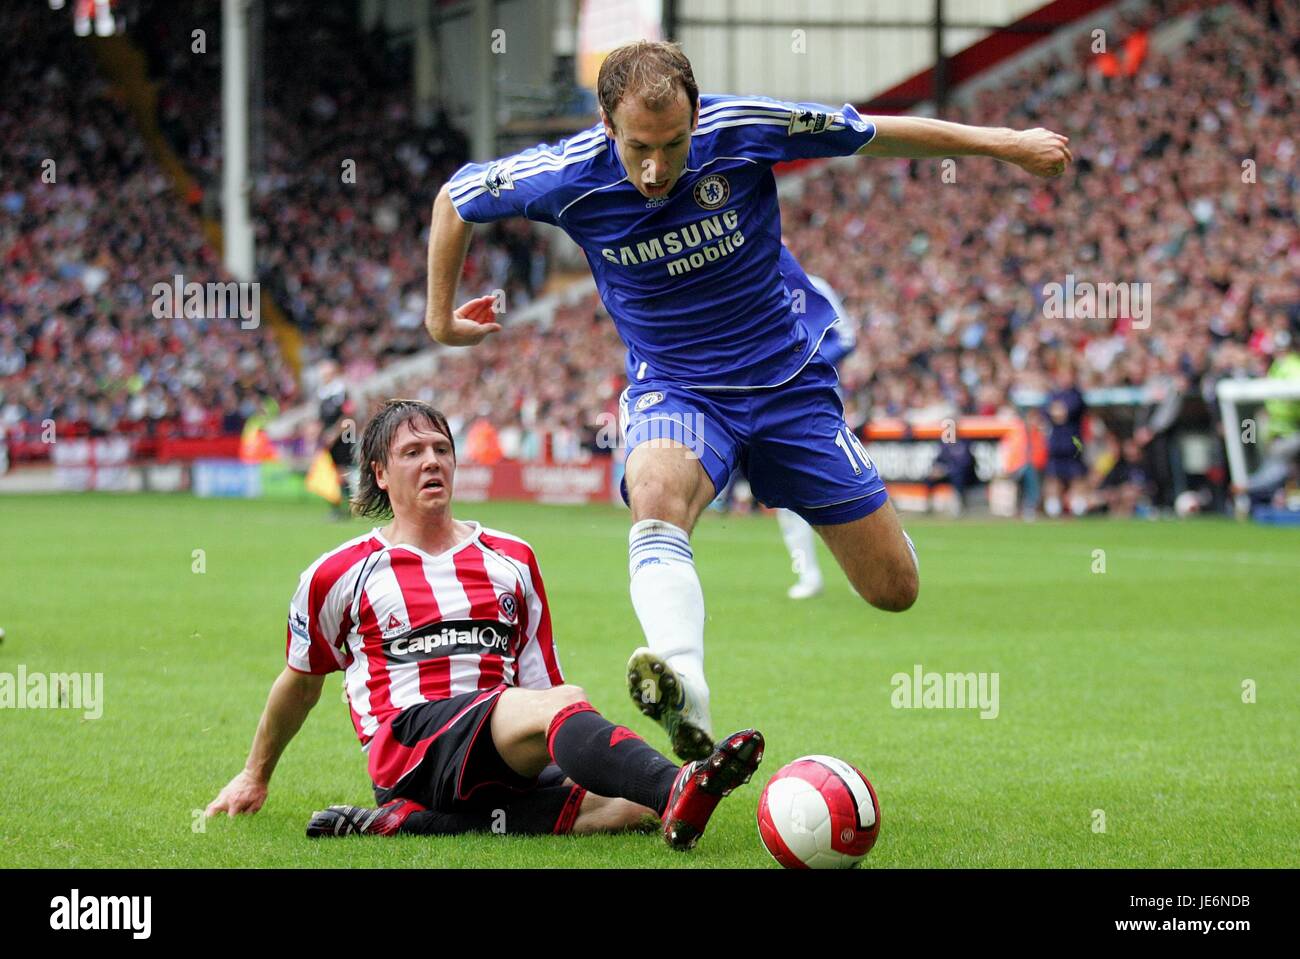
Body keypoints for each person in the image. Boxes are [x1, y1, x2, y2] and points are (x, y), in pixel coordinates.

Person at [425, 40, 1071, 759]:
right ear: (607, 126)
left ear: (696, 116)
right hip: (678, 389)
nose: (655, 168)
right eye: (638, 146)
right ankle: (684, 682)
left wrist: (1008, 144)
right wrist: (439, 319)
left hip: (791, 386)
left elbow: (872, 133)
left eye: (673, 145)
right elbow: (457, 196)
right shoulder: (568, 175)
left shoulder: (742, 128)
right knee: (655, 490)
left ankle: (858, 514)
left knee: (894, 588)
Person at [205, 399, 763, 849]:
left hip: (498, 746)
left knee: (629, 803)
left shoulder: (511, 558)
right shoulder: (338, 573)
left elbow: (540, 682)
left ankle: (417, 824)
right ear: (378, 471)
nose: (431, 461)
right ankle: (680, 785)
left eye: (441, 449)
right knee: (630, 768)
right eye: (412, 452)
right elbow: (300, 683)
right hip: (407, 745)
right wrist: (255, 775)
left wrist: (577, 751)